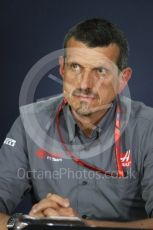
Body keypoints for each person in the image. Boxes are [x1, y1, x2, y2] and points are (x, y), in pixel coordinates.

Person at [0, 18, 153, 229]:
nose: (84, 84)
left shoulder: (147, 128)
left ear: (123, 80)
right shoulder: (29, 123)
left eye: (100, 71)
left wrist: (84, 227)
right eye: (76, 67)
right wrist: (23, 224)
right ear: (62, 70)